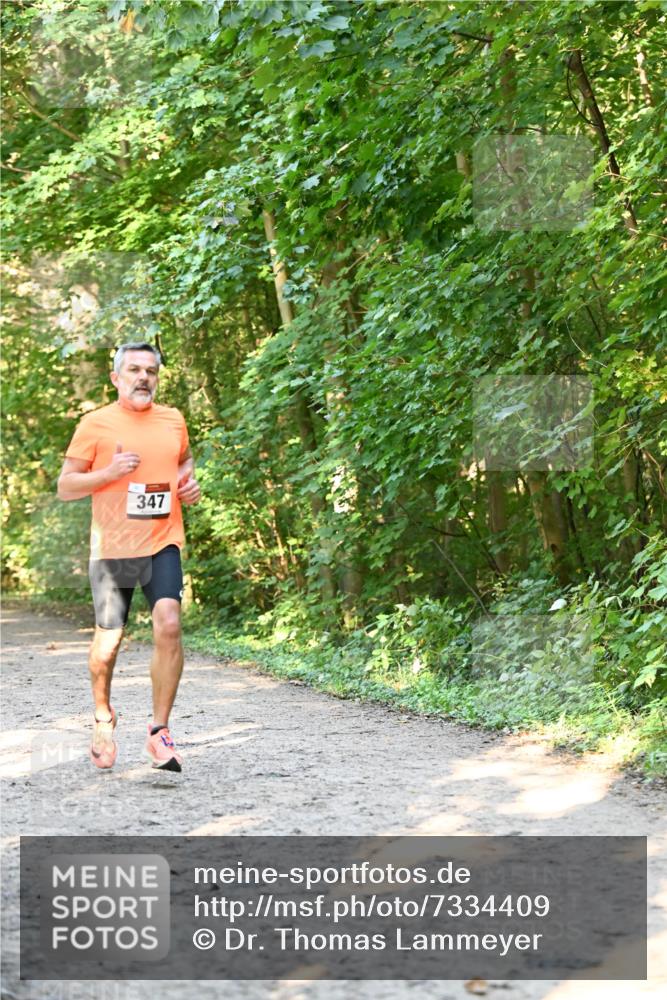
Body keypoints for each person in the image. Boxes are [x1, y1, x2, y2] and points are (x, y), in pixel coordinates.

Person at [57, 342, 200, 773]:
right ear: (116, 378)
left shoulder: (173, 419)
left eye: (151, 371)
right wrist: (109, 474)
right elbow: (66, 486)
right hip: (113, 547)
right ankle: (103, 715)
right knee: (108, 644)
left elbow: (184, 462)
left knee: (170, 622)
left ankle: (159, 732)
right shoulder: (95, 424)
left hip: (162, 539)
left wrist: (187, 484)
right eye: (134, 370)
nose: (144, 377)